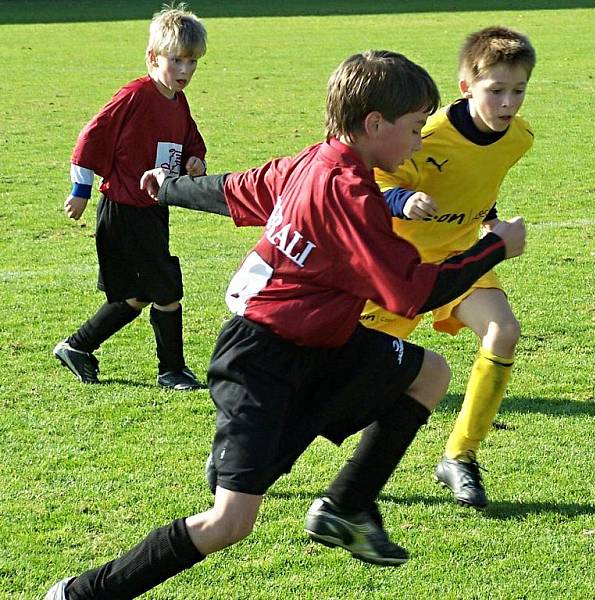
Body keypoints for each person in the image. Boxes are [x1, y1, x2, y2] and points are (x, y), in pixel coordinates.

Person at [44, 50, 526, 599]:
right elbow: (411, 292)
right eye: (415, 129)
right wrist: (493, 248)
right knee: (229, 522)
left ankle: (346, 506)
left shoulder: (313, 161)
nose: (420, 143)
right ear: (373, 125)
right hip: (260, 358)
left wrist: (167, 187)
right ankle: (82, 593)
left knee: (429, 373)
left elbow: (233, 189)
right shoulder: (350, 194)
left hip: (323, 342)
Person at [360, 26, 536, 510]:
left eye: (518, 90)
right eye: (495, 90)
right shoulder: (429, 134)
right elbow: (371, 179)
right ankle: (261, 453)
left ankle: (460, 456)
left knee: (503, 331)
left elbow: (482, 178)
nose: (508, 102)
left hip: (461, 258)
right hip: (401, 267)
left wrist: (492, 219)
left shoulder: (519, 138)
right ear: (466, 87)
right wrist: (403, 198)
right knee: (352, 380)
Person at [52, 3, 208, 390]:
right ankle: (171, 370)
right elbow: (91, 136)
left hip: (152, 209)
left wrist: (194, 160)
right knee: (167, 290)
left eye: (192, 62)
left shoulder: (177, 100)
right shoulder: (134, 96)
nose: (186, 70)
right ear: (153, 58)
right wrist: (80, 191)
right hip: (124, 210)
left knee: (137, 295)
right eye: (177, 60)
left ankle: (77, 346)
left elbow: (190, 142)